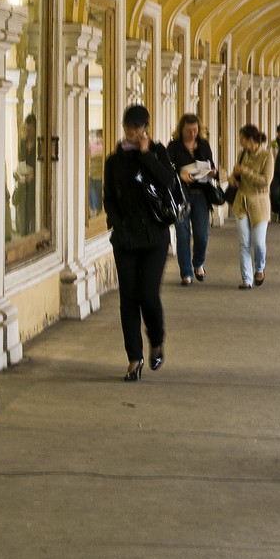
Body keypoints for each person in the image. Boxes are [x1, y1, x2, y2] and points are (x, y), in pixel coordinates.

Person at [102, 103, 176, 381]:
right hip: (125, 239)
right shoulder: (113, 161)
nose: (133, 133)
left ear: (146, 128)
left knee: (148, 294)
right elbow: (109, 197)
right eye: (129, 128)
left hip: (154, 237)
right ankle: (134, 358)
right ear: (124, 128)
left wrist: (147, 156)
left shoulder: (157, 152)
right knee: (128, 300)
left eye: (138, 128)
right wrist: (117, 224)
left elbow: (169, 182)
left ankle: (156, 340)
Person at [168, 111, 217, 285]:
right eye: (189, 130)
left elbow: (212, 165)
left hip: (201, 195)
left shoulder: (203, 145)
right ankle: (186, 273)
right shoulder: (174, 147)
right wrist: (180, 175)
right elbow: (166, 171)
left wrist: (212, 172)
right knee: (182, 235)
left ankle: (198, 263)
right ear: (181, 130)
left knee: (201, 234)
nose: (193, 134)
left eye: (195, 130)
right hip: (181, 196)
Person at [230, 124, 274, 289]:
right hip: (241, 202)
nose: (240, 142)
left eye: (242, 139)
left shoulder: (267, 156)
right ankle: (246, 279)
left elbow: (266, 181)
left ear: (250, 140)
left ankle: (260, 267)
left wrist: (245, 172)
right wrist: (232, 178)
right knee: (244, 242)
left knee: (258, 242)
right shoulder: (242, 154)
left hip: (259, 204)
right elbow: (236, 173)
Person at [13, 113, 37, 236]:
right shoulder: (22, 144)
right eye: (26, 130)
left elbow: (42, 168)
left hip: (34, 192)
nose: (27, 133)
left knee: (33, 222)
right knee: (23, 222)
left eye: (30, 130)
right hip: (23, 189)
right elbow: (20, 163)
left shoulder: (39, 145)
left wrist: (34, 175)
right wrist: (17, 173)